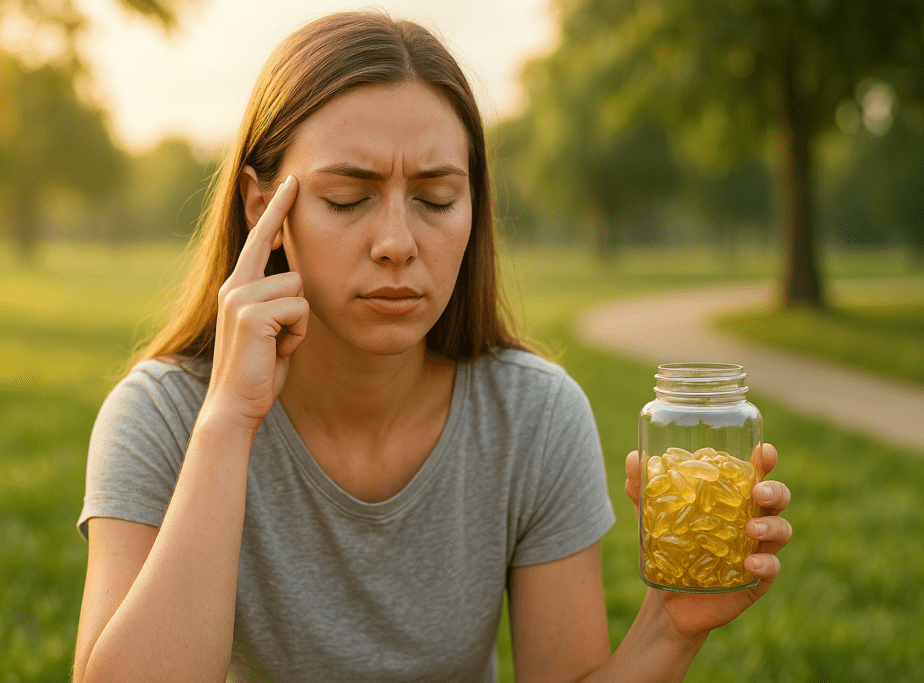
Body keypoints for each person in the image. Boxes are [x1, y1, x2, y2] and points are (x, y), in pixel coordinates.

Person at [72, 10, 792, 683]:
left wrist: (670, 625)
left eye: (437, 199)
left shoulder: (534, 416)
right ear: (264, 205)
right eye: (348, 199)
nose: (396, 243)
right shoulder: (161, 416)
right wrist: (227, 423)